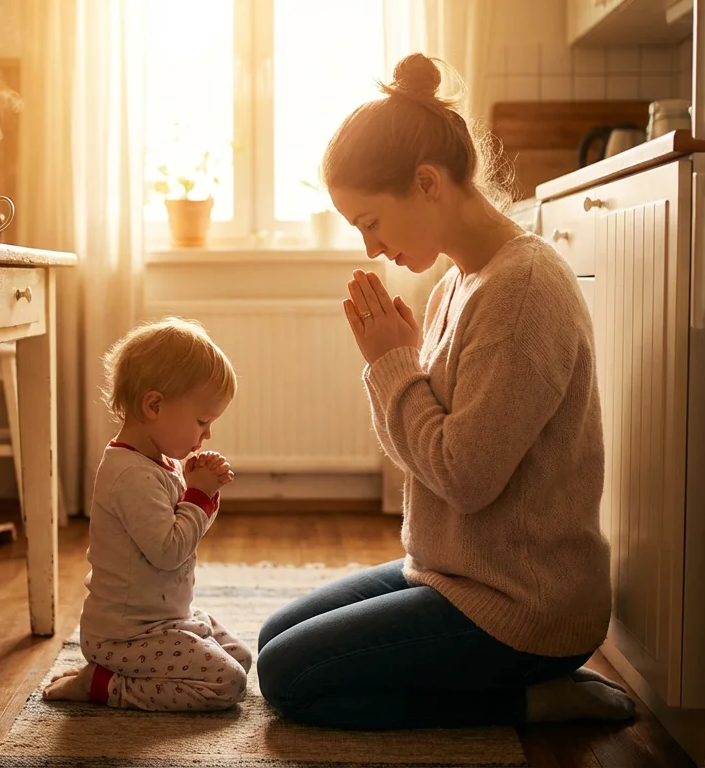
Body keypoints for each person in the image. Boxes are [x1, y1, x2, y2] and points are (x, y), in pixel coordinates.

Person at [255, 53, 637, 729]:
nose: (371, 247)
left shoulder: (521, 290)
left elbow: (464, 478)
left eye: (371, 220)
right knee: (273, 642)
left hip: (524, 607)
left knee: (289, 678)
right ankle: (492, 689)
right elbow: (423, 456)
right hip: (455, 574)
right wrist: (396, 365)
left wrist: (394, 367)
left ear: (427, 183)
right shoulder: (457, 285)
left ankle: (525, 699)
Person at [43, 317, 253, 711]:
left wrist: (199, 490)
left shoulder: (160, 461)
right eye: (202, 421)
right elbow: (169, 550)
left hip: (165, 618)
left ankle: (117, 674)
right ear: (154, 405)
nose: (206, 434)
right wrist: (198, 495)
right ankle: (103, 685)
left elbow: (185, 528)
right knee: (227, 684)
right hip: (126, 635)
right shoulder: (129, 474)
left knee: (241, 658)